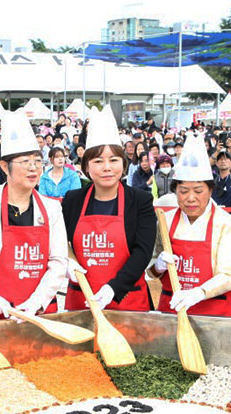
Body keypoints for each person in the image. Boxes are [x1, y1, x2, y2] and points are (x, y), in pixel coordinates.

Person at [0, 109, 67, 320]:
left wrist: (36, 302)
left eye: (37, 161)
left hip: (41, 314)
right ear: (5, 166)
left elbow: (58, 261)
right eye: (25, 162)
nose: (33, 168)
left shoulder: (52, 209)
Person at [62, 106, 155, 312]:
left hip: (127, 300)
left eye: (114, 160)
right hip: (82, 301)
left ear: (123, 164)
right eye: (98, 161)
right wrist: (66, 261)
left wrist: (113, 288)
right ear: (86, 167)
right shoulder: (73, 200)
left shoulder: (140, 200)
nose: (107, 167)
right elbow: (60, 242)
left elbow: (143, 252)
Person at [149, 134, 231, 316]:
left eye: (198, 191)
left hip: (213, 314)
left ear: (210, 190)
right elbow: (151, 271)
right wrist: (157, 266)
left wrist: (199, 292)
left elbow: (229, 275)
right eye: (183, 191)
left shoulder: (225, 222)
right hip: (172, 311)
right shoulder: (165, 220)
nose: (191, 198)